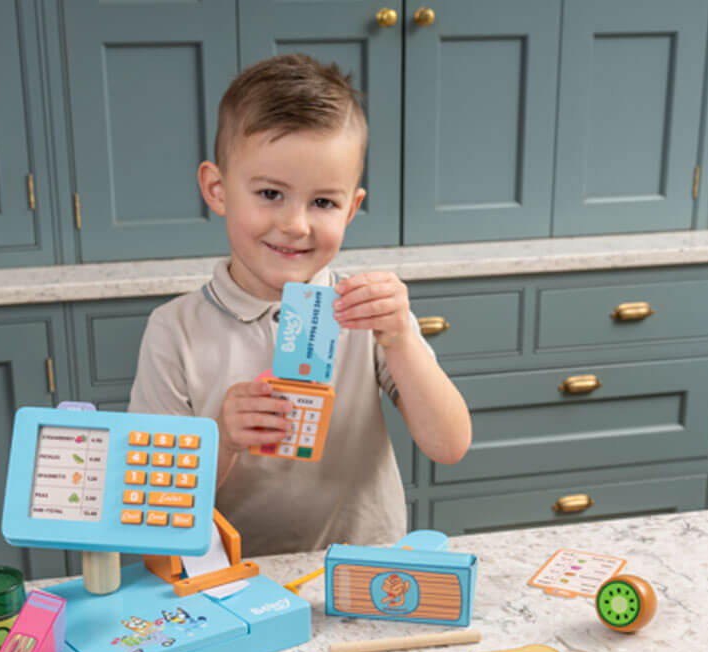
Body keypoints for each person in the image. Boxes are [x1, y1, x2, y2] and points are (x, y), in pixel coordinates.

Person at [128, 54, 471, 557]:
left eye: (323, 203)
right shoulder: (173, 331)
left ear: (352, 208)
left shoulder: (367, 315)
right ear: (216, 189)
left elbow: (449, 445)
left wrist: (400, 339)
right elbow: (153, 505)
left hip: (366, 568)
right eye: (270, 193)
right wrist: (222, 436)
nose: (296, 225)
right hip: (234, 578)